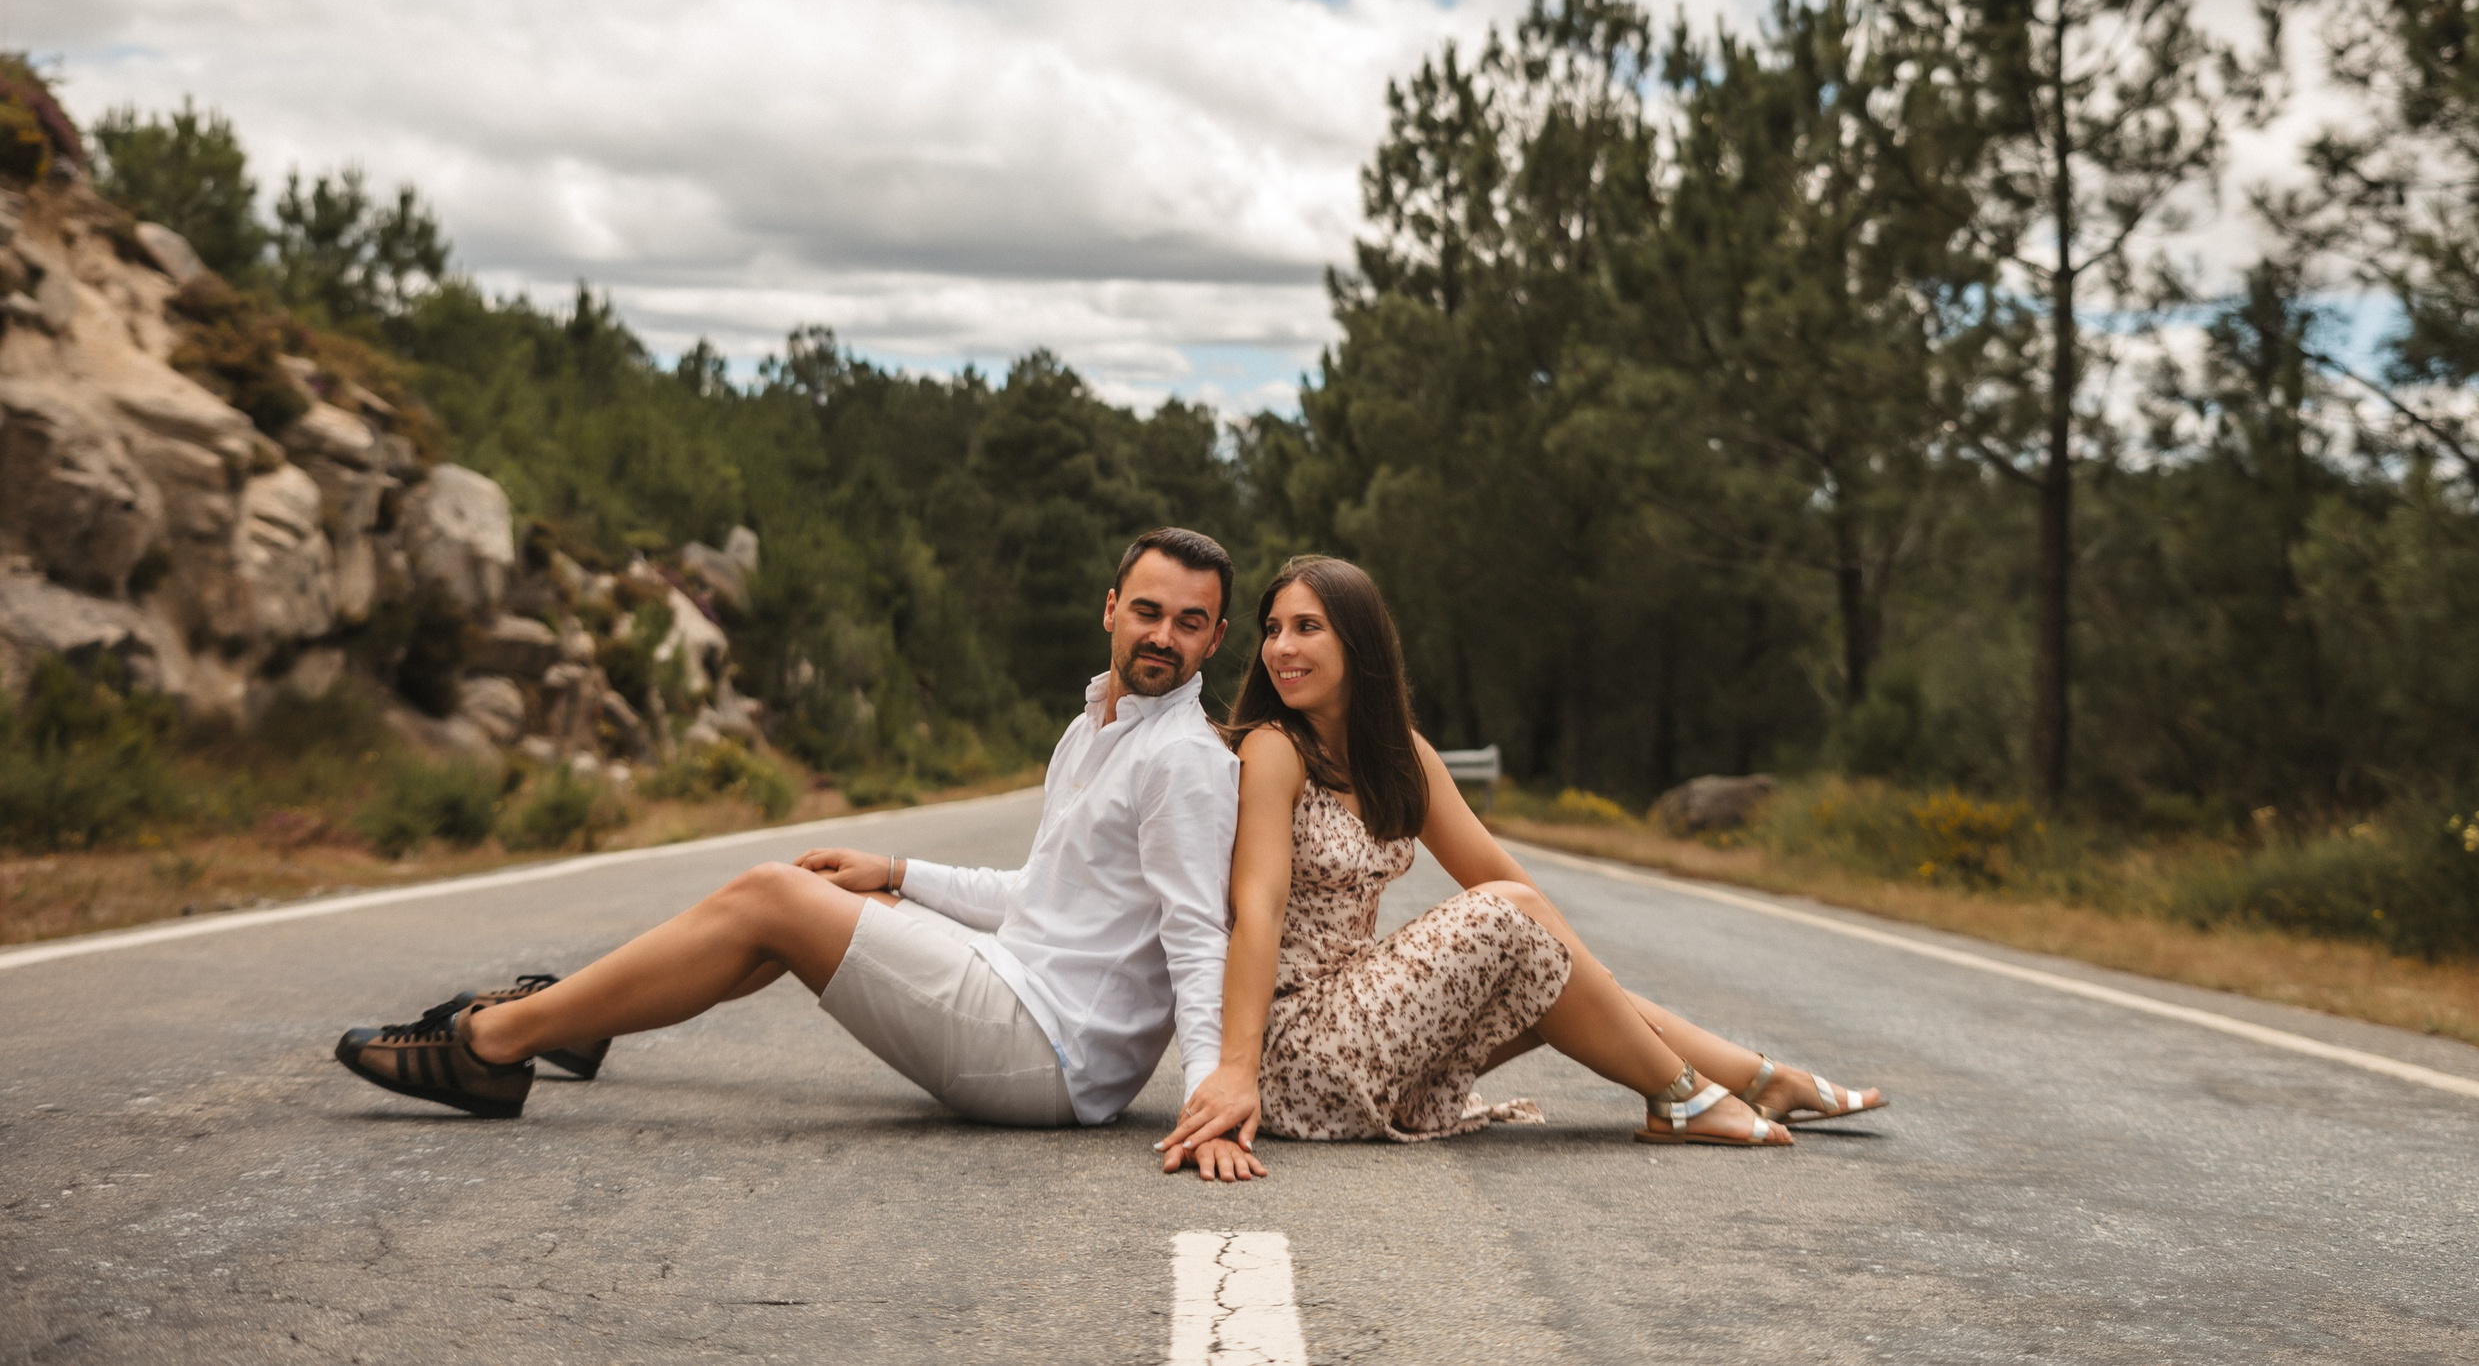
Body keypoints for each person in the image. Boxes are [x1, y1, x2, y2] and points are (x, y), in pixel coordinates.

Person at [334, 527, 1242, 1133]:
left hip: (1052, 1054)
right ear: (1111, 607)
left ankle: (493, 1047)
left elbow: (1198, 936)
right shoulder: (1094, 729)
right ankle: (574, 1024)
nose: (1164, 635)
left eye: (1189, 624)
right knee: (807, 885)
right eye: (1150, 611)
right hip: (1018, 992)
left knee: (773, 898)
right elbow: (1039, 897)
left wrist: (1206, 1087)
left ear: (1215, 639)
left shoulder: (1183, 758)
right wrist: (891, 868)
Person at [1158, 555, 1887, 1181]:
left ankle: (1766, 1081)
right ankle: (1690, 1096)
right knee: (1516, 919)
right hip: (1300, 1056)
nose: (1282, 647)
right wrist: (1235, 1071)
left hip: (1371, 1037)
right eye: (1274, 629)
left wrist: (1583, 974)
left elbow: (1501, 873)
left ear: (1360, 643)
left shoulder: (1400, 756)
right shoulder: (1272, 747)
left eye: (1306, 627)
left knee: (1548, 965)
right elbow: (1258, 913)